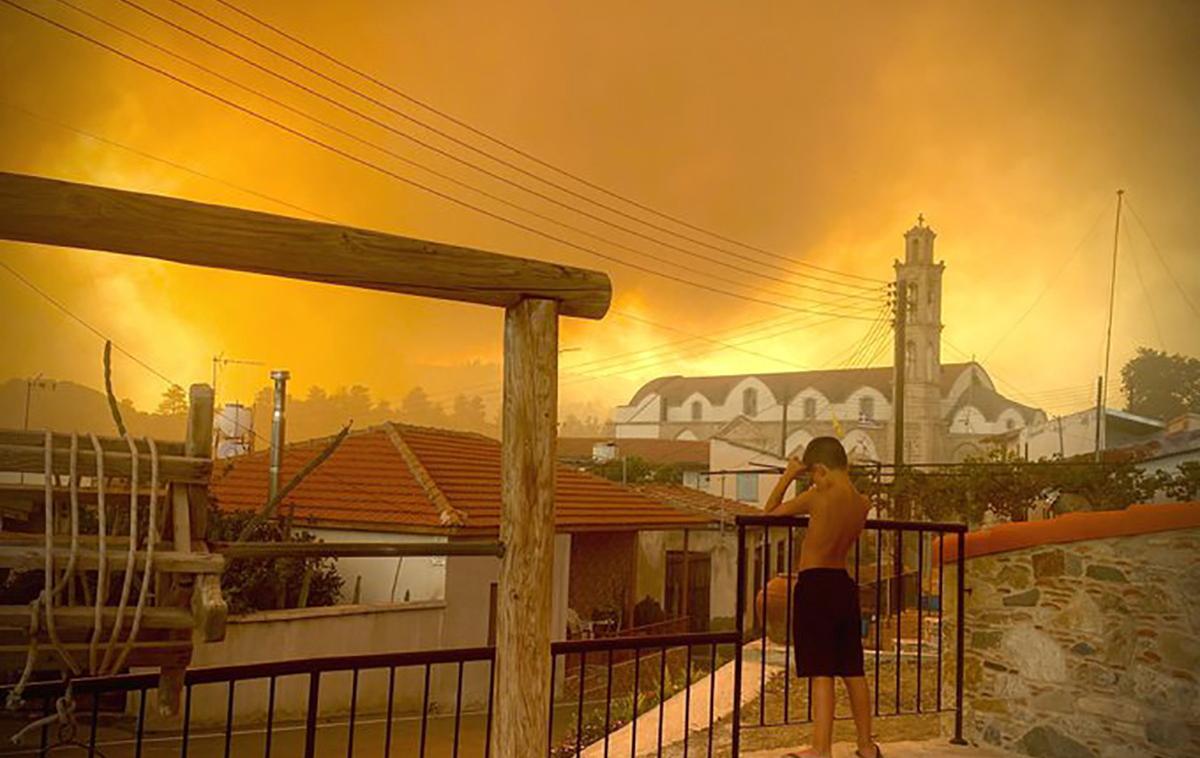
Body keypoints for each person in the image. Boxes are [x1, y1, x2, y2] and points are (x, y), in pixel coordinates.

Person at [764, 436, 882, 758]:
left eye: (812, 474)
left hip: (815, 585)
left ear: (821, 470)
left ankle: (820, 749)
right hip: (843, 586)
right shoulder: (861, 503)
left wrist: (789, 475)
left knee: (822, 671)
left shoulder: (817, 496)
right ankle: (866, 745)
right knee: (852, 670)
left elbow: (769, 512)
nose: (813, 480)